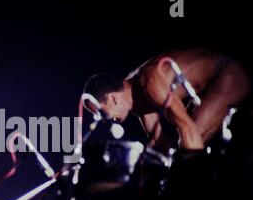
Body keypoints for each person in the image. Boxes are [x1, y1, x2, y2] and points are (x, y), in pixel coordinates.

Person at [84, 48, 251, 150]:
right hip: (206, 88)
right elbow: (159, 143)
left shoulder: (150, 81)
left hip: (227, 73)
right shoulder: (135, 101)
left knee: (192, 137)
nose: (105, 121)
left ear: (112, 98)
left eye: (101, 113)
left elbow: (188, 130)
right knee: (183, 147)